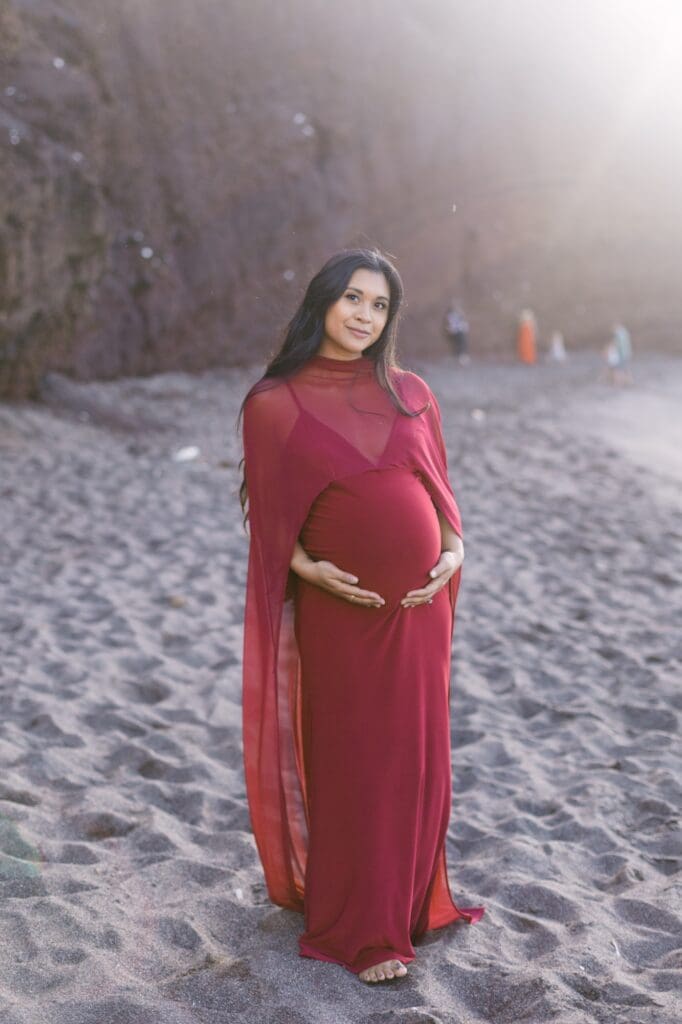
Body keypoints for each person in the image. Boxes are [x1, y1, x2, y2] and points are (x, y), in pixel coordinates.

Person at [237, 248, 484, 985]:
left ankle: (410, 906)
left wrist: (451, 554)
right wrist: (310, 569)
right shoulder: (273, 400)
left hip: (419, 613)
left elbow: (441, 495)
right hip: (340, 616)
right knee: (355, 760)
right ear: (322, 302)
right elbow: (269, 519)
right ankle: (364, 931)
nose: (364, 316)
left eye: (378, 306)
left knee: (415, 760)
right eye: (352, 298)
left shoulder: (412, 392)